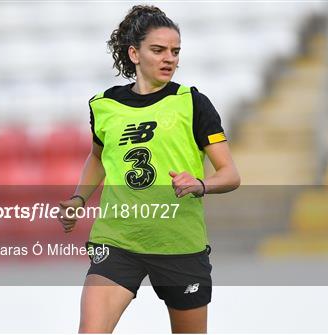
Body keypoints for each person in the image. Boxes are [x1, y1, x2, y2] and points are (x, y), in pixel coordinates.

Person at [58, 5, 240, 333]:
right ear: (134, 53)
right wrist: (78, 199)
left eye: (175, 51)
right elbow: (98, 157)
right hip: (118, 240)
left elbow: (230, 174)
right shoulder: (104, 106)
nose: (169, 58)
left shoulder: (193, 103)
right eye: (158, 50)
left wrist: (200, 184)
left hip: (179, 244)